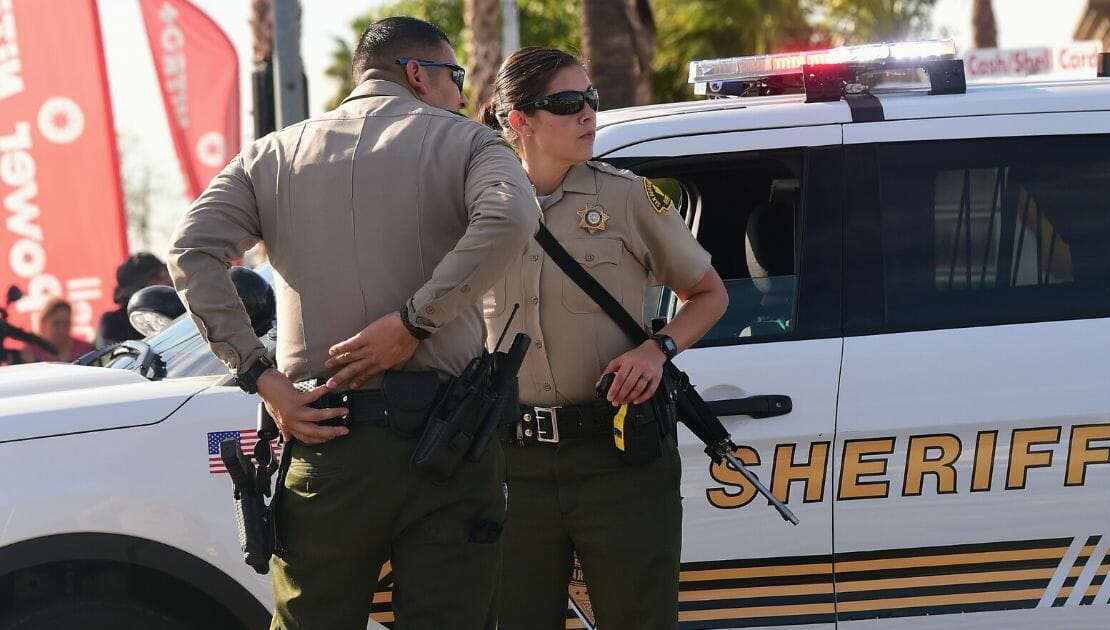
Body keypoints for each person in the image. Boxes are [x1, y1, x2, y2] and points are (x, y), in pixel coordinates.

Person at [167, 16, 538, 630]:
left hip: (326, 437)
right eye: (456, 76)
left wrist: (264, 380)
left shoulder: (272, 154)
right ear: (417, 74)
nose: (463, 95)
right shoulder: (470, 143)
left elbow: (190, 250)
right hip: (449, 442)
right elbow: (511, 219)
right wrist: (415, 324)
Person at [478, 47, 728, 629]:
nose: (589, 114)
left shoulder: (625, 197)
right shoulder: (478, 207)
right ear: (520, 120)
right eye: (568, 104)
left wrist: (658, 349)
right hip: (511, 464)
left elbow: (710, 294)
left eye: (591, 99)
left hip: (619, 457)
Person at [95, 252, 172, 347]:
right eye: (156, 278)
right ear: (136, 289)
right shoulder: (115, 322)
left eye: (167, 274)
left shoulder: (182, 305)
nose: (167, 282)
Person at [20, 298, 92, 363]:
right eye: (56, 324)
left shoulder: (85, 350)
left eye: (66, 323)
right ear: (43, 323)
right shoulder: (31, 352)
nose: (62, 329)